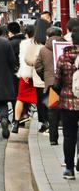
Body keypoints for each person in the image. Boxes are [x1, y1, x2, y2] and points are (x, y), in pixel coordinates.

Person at [53, 26, 79, 180]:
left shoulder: (64, 57)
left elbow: (57, 82)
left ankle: (69, 168)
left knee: (69, 135)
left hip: (68, 102)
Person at [35, 25, 63, 146]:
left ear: (48, 36)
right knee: (67, 110)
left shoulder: (43, 50)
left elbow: (38, 66)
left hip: (51, 84)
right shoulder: (66, 47)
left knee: (52, 110)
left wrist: (45, 77)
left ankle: (53, 138)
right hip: (66, 84)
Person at [23, 19, 50, 132]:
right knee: (50, 99)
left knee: (41, 100)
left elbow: (27, 59)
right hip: (50, 76)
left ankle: (44, 122)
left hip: (38, 76)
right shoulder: (49, 41)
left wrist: (36, 63)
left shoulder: (33, 42)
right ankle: (51, 120)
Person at [12, 24, 38, 132]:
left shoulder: (23, 44)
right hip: (37, 75)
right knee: (40, 99)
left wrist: (24, 73)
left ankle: (16, 122)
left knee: (20, 98)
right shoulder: (39, 44)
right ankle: (45, 122)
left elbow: (22, 60)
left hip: (25, 74)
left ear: (26, 34)